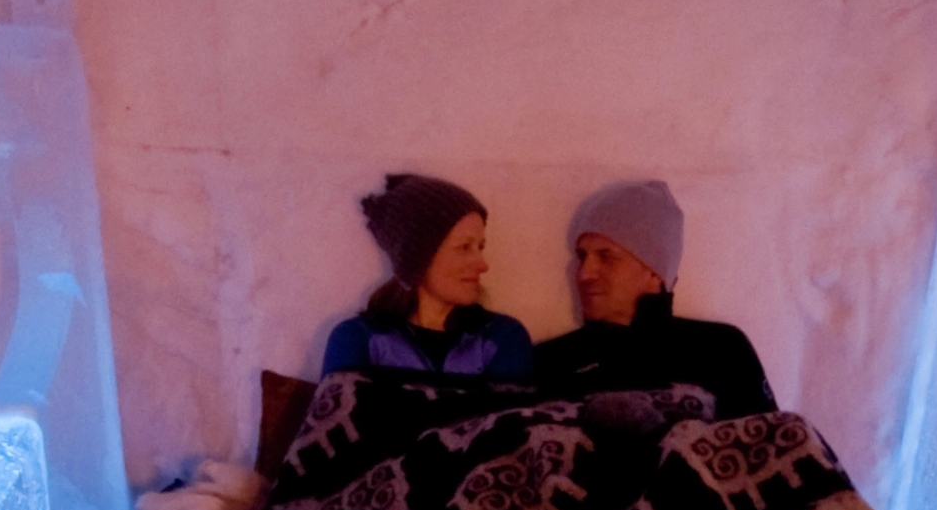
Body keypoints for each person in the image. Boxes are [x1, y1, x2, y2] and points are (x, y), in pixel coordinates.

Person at [533, 179, 776, 416]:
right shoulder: (548, 361)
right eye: (582, 256)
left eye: (606, 257)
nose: (584, 273)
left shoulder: (720, 350)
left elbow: (771, 448)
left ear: (655, 273)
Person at [319, 173, 534, 380]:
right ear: (417, 259)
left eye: (481, 247)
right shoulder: (358, 339)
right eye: (464, 247)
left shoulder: (502, 337)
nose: (483, 265)